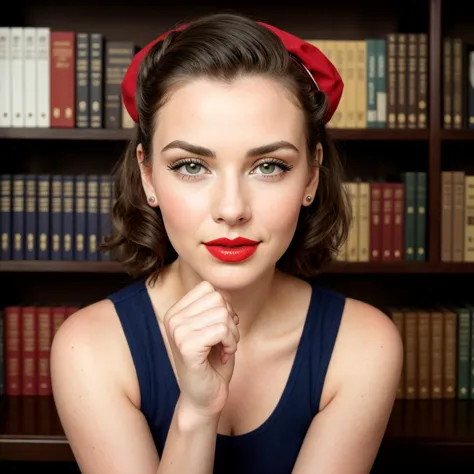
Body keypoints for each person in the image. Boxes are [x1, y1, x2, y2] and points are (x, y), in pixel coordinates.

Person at [51, 11, 403, 474]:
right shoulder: (89, 349)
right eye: (192, 166)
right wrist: (196, 412)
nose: (232, 209)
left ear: (312, 176)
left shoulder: (363, 345)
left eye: (269, 165)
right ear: (148, 174)